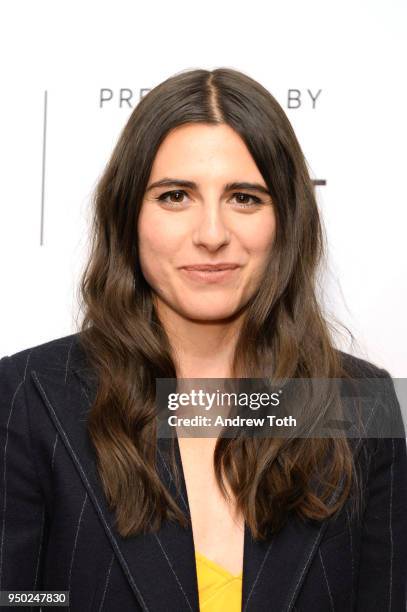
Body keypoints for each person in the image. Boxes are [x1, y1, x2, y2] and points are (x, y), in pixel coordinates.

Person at [0, 67, 406, 612]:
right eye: (175, 196)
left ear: (286, 219)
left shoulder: (360, 405)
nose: (212, 234)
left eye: (244, 197)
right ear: (128, 216)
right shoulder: (30, 397)